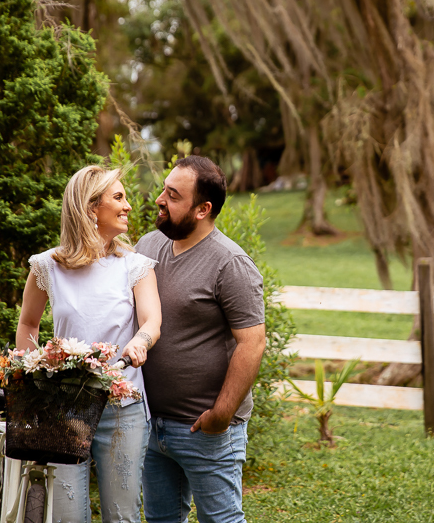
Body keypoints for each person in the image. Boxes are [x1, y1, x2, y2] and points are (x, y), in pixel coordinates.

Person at [16, 165, 162, 523]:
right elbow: (28, 324)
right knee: (67, 516)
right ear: (90, 207)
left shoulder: (135, 266)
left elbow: (152, 320)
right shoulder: (46, 266)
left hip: (121, 405)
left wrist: (140, 342)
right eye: (118, 197)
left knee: (121, 516)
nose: (128, 205)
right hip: (65, 407)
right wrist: (31, 377)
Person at [136, 156, 266, 523]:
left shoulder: (230, 264)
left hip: (204, 430)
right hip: (151, 426)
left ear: (202, 209)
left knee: (220, 520)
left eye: (173, 195)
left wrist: (221, 415)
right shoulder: (147, 248)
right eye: (164, 189)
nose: (160, 199)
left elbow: (252, 343)